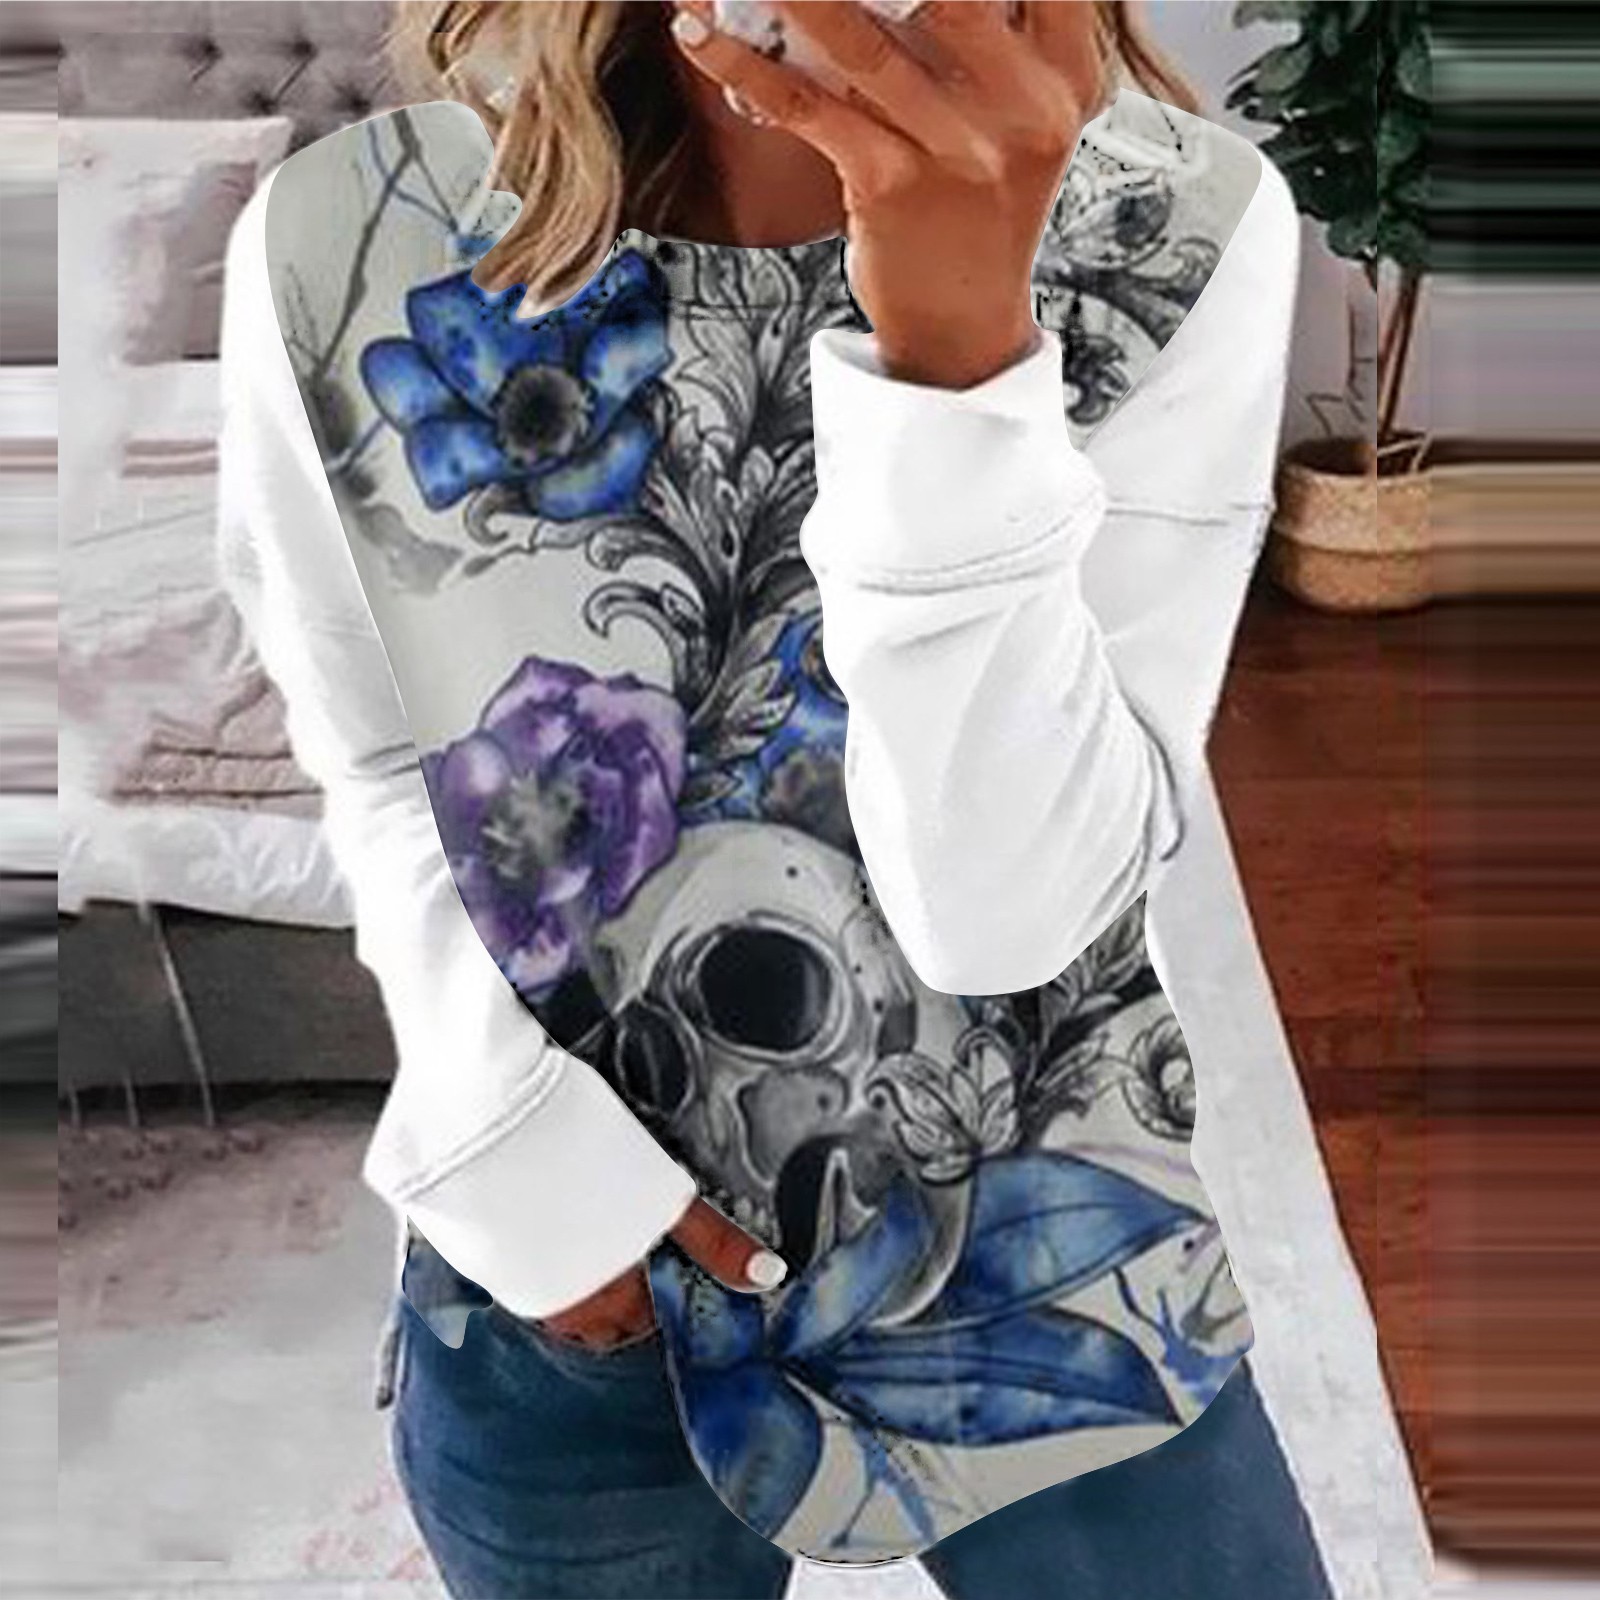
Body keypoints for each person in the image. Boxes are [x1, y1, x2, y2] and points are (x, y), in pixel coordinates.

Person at [217, 1, 1332, 1594]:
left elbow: (1010, 912)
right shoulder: (349, 235)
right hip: (568, 1287)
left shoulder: (1179, 231)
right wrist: (534, 1179)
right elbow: (387, 762)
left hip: (1046, 1238)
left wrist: (959, 376)